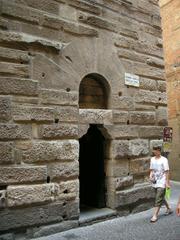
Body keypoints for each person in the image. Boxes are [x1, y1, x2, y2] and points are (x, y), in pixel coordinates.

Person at [149, 146, 173, 223]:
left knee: (158, 198)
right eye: (153, 151)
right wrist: (150, 175)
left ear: (159, 151)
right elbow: (152, 170)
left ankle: (155, 215)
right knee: (160, 196)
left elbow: (167, 172)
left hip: (162, 181)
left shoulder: (164, 160)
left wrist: (167, 183)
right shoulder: (152, 159)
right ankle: (169, 208)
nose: (154, 152)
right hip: (155, 181)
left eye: (155, 151)